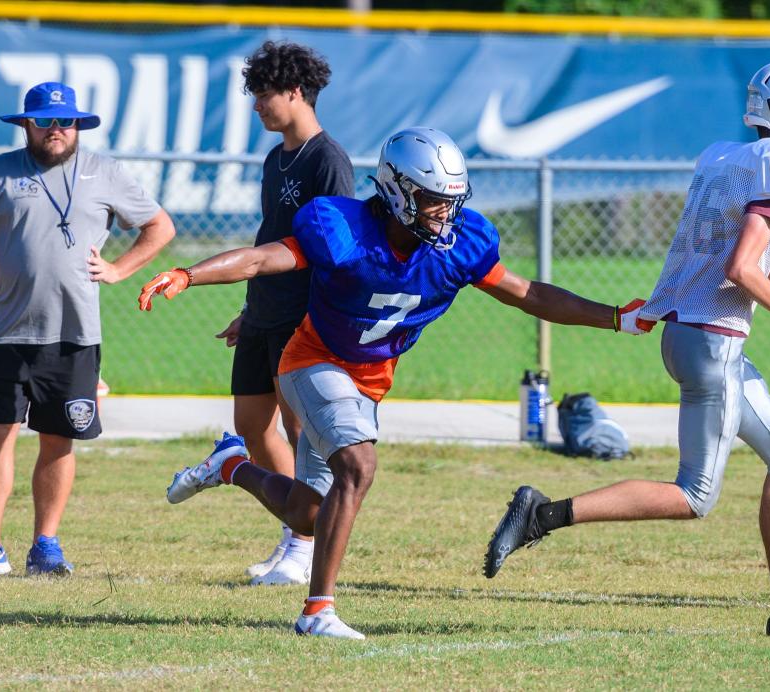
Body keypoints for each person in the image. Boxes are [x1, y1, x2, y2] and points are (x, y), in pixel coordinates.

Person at [138, 127, 644, 639]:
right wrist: (188, 274)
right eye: (431, 201)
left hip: (368, 382)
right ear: (398, 190)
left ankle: (230, 466)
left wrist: (615, 317)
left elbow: (527, 293)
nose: (443, 213)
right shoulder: (343, 227)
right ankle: (317, 611)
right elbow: (264, 257)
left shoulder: (461, 244)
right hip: (312, 362)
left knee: (307, 514)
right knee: (359, 465)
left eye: (450, 201)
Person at [484, 59, 770, 637]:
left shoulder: (726, 157)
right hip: (711, 346)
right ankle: (542, 514)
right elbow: (739, 267)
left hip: (698, 336)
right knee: (694, 495)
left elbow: (734, 267)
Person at [0, 82, 176, 576]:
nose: (56, 130)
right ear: (26, 124)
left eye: (64, 121)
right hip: (4, 333)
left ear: (77, 126)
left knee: (58, 439)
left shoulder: (105, 172)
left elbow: (160, 226)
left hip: (74, 335)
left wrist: (118, 269)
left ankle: (45, 545)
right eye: (45, 121)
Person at [216, 41, 354, 586]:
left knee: (302, 434)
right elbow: (268, 242)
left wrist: (321, 322)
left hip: (304, 320)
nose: (256, 105)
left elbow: (334, 251)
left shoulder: (329, 159)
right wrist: (249, 310)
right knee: (250, 426)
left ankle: (301, 544)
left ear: (295, 92)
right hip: (263, 311)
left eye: (263, 94)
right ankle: (294, 529)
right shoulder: (276, 159)